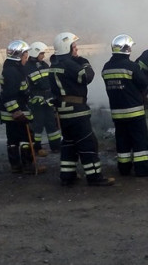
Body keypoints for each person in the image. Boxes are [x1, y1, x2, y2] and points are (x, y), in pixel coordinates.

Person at [49, 32, 115, 187]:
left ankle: (67, 175)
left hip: (64, 112)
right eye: (74, 46)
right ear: (67, 47)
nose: (76, 49)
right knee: (88, 143)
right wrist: (85, 63)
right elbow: (87, 77)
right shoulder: (69, 64)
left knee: (69, 143)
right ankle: (94, 177)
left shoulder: (54, 64)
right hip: (77, 111)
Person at [102, 34, 148, 177]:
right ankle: (142, 169)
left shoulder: (106, 68)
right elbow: (144, 83)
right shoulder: (131, 66)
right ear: (126, 49)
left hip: (117, 112)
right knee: (140, 141)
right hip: (134, 112)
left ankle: (124, 168)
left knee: (122, 141)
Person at [0, 40, 46, 174]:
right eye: (25, 53)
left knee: (13, 140)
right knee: (26, 139)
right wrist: (16, 112)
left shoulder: (11, 68)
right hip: (16, 113)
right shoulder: (13, 72)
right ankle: (29, 166)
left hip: (9, 112)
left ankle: (16, 166)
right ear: (19, 55)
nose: (27, 56)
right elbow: (9, 95)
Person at [25, 41, 61, 155]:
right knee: (38, 125)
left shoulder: (44, 65)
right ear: (35, 53)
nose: (43, 56)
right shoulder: (27, 67)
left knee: (51, 123)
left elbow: (50, 81)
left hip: (48, 99)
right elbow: (33, 84)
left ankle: (56, 146)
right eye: (41, 54)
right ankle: (37, 147)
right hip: (36, 102)